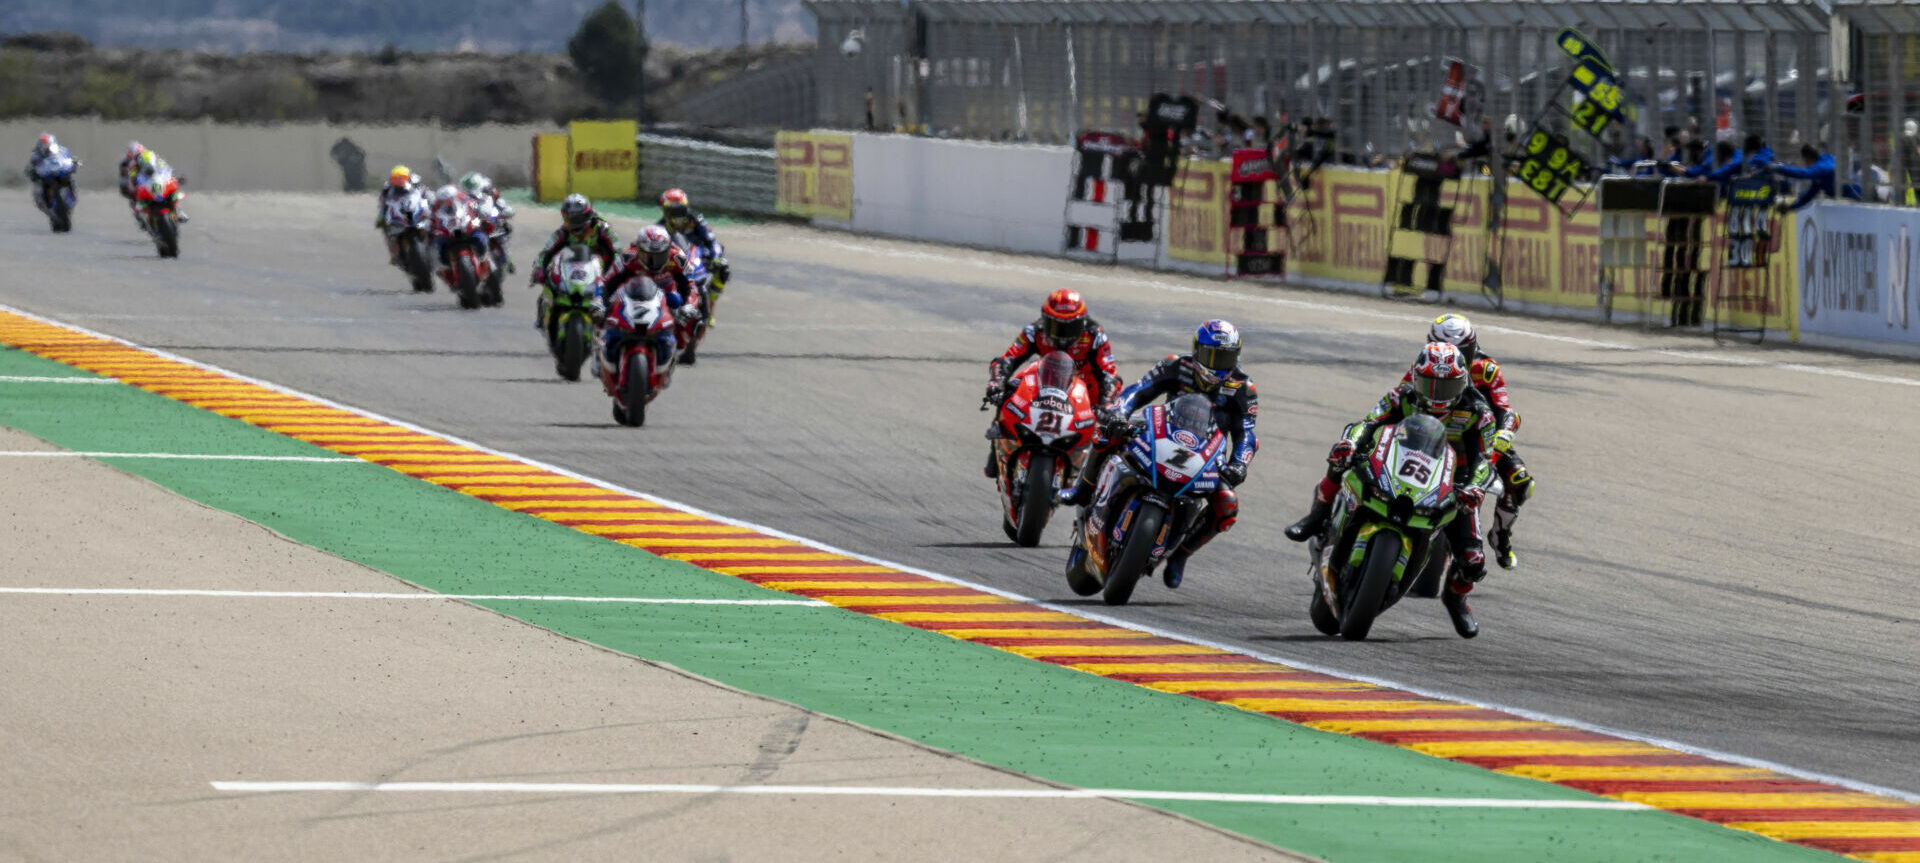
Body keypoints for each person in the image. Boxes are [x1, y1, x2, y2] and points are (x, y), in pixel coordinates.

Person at [1284, 342, 1496, 638]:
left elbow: (1486, 459)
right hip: (1394, 462)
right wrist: (1352, 444)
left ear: (1461, 384)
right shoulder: (1401, 395)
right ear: (1416, 378)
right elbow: (1368, 423)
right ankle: (1317, 516)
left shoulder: (1479, 412)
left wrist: (1474, 486)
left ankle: (1455, 597)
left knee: (1473, 561)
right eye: (1430, 385)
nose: (1436, 395)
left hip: (1452, 481)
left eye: (1445, 388)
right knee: (1340, 458)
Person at [1060, 320, 1258, 590]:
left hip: (1206, 455)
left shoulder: (1243, 387)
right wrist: (1119, 412)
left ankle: (1180, 555)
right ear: (1197, 351)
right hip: (1162, 433)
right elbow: (1137, 391)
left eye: (1226, 357)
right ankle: (1083, 489)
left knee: (1227, 504)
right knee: (1107, 433)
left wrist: (1239, 465)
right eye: (1212, 356)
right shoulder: (1175, 365)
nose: (1218, 364)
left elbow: (1246, 433)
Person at [1414, 315, 1534, 570]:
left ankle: (1500, 535)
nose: (1451, 357)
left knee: (1521, 481)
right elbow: (1401, 398)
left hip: (1478, 432)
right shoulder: (1425, 364)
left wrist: (1504, 434)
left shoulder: (1486, 370)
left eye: (1462, 350)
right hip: (1431, 430)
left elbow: (1505, 410)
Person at [983, 289, 1123, 479]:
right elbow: (1007, 359)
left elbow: (1109, 374)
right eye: (1054, 326)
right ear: (1044, 319)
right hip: (1048, 379)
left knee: (1109, 432)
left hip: (1086, 390)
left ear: (1081, 323)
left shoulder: (1095, 335)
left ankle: (1091, 481)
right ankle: (998, 447)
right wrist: (996, 384)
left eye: (1069, 328)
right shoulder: (1034, 331)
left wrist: (1107, 405)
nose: (1062, 336)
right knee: (1008, 391)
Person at [596, 225, 699, 370]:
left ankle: (677, 348)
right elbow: (606, 283)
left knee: (687, 311)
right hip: (633, 295)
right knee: (605, 309)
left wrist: (688, 305)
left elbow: (691, 286)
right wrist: (599, 302)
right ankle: (601, 344)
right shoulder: (628, 257)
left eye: (660, 256)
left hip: (666, 297)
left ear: (668, 250)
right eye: (648, 256)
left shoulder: (677, 258)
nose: (653, 262)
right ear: (639, 250)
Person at [530, 194, 620, 327]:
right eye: (568, 217)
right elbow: (546, 252)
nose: (572, 221)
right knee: (550, 276)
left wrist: (613, 272)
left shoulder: (602, 228)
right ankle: (545, 314)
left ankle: (610, 321)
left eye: (576, 218)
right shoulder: (563, 232)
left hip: (600, 270)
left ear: (587, 215)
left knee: (615, 295)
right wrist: (539, 268)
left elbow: (617, 251)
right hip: (571, 266)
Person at [461, 171, 514, 272]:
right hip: (474, 223)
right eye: (469, 187)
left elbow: (501, 204)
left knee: (503, 232)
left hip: (491, 220)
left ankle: (507, 258)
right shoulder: (463, 197)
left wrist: (505, 210)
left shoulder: (489, 191)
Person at [373, 165, 425, 264]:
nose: (399, 180)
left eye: (402, 178)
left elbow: (424, 192)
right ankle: (393, 254)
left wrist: (429, 202)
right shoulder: (387, 187)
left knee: (431, 224)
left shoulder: (416, 181)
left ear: (408, 177)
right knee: (387, 231)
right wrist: (381, 216)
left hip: (413, 206)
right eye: (395, 178)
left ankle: (431, 247)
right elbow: (382, 202)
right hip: (397, 210)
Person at [1773, 144, 1848, 211]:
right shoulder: (1822, 167)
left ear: (1807, 159)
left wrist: (1779, 169)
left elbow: (1802, 173)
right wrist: (1790, 208)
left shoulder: (1821, 168)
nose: (1805, 165)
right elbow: (1809, 195)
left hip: (1852, 197)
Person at [429, 184, 485, 269]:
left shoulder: (465, 199)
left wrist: (477, 216)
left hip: (465, 228)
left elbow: (475, 206)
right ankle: (446, 269)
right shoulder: (436, 209)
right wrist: (434, 229)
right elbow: (432, 220)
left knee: (480, 235)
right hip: (448, 234)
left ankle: (486, 257)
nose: (448, 201)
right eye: (445, 200)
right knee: (437, 248)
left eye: (450, 198)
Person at [130, 149, 187, 223]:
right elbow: (132, 178)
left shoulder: (159, 162)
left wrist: (175, 178)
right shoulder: (135, 169)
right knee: (135, 203)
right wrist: (134, 183)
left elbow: (168, 170)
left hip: (158, 182)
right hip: (147, 186)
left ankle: (179, 212)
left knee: (173, 194)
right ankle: (141, 221)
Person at [25, 133, 76, 213]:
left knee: (70, 180)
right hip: (46, 176)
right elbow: (32, 165)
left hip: (60, 172)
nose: (46, 145)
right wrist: (32, 170)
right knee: (40, 187)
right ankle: (45, 202)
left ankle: (70, 198)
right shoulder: (36, 154)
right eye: (44, 143)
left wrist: (72, 163)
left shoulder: (61, 150)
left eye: (47, 143)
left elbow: (67, 158)